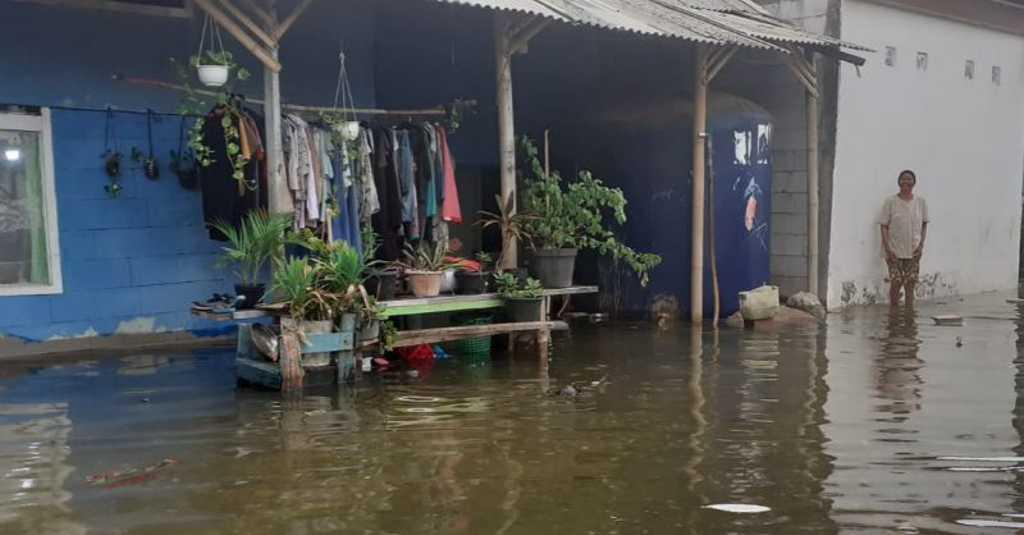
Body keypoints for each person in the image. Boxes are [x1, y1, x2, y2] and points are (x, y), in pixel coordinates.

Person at [879, 169, 929, 307]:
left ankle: (908, 314)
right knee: (896, 281)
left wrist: (921, 245)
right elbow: (883, 226)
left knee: (910, 282)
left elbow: (924, 224)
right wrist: (888, 249)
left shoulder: (920, 202)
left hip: (913, 250)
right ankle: (893, 312)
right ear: (899, 182)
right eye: (903, 179)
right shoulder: (890, 202)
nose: (906, 182)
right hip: (894, 250)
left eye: (909, 179)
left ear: (914, 183)